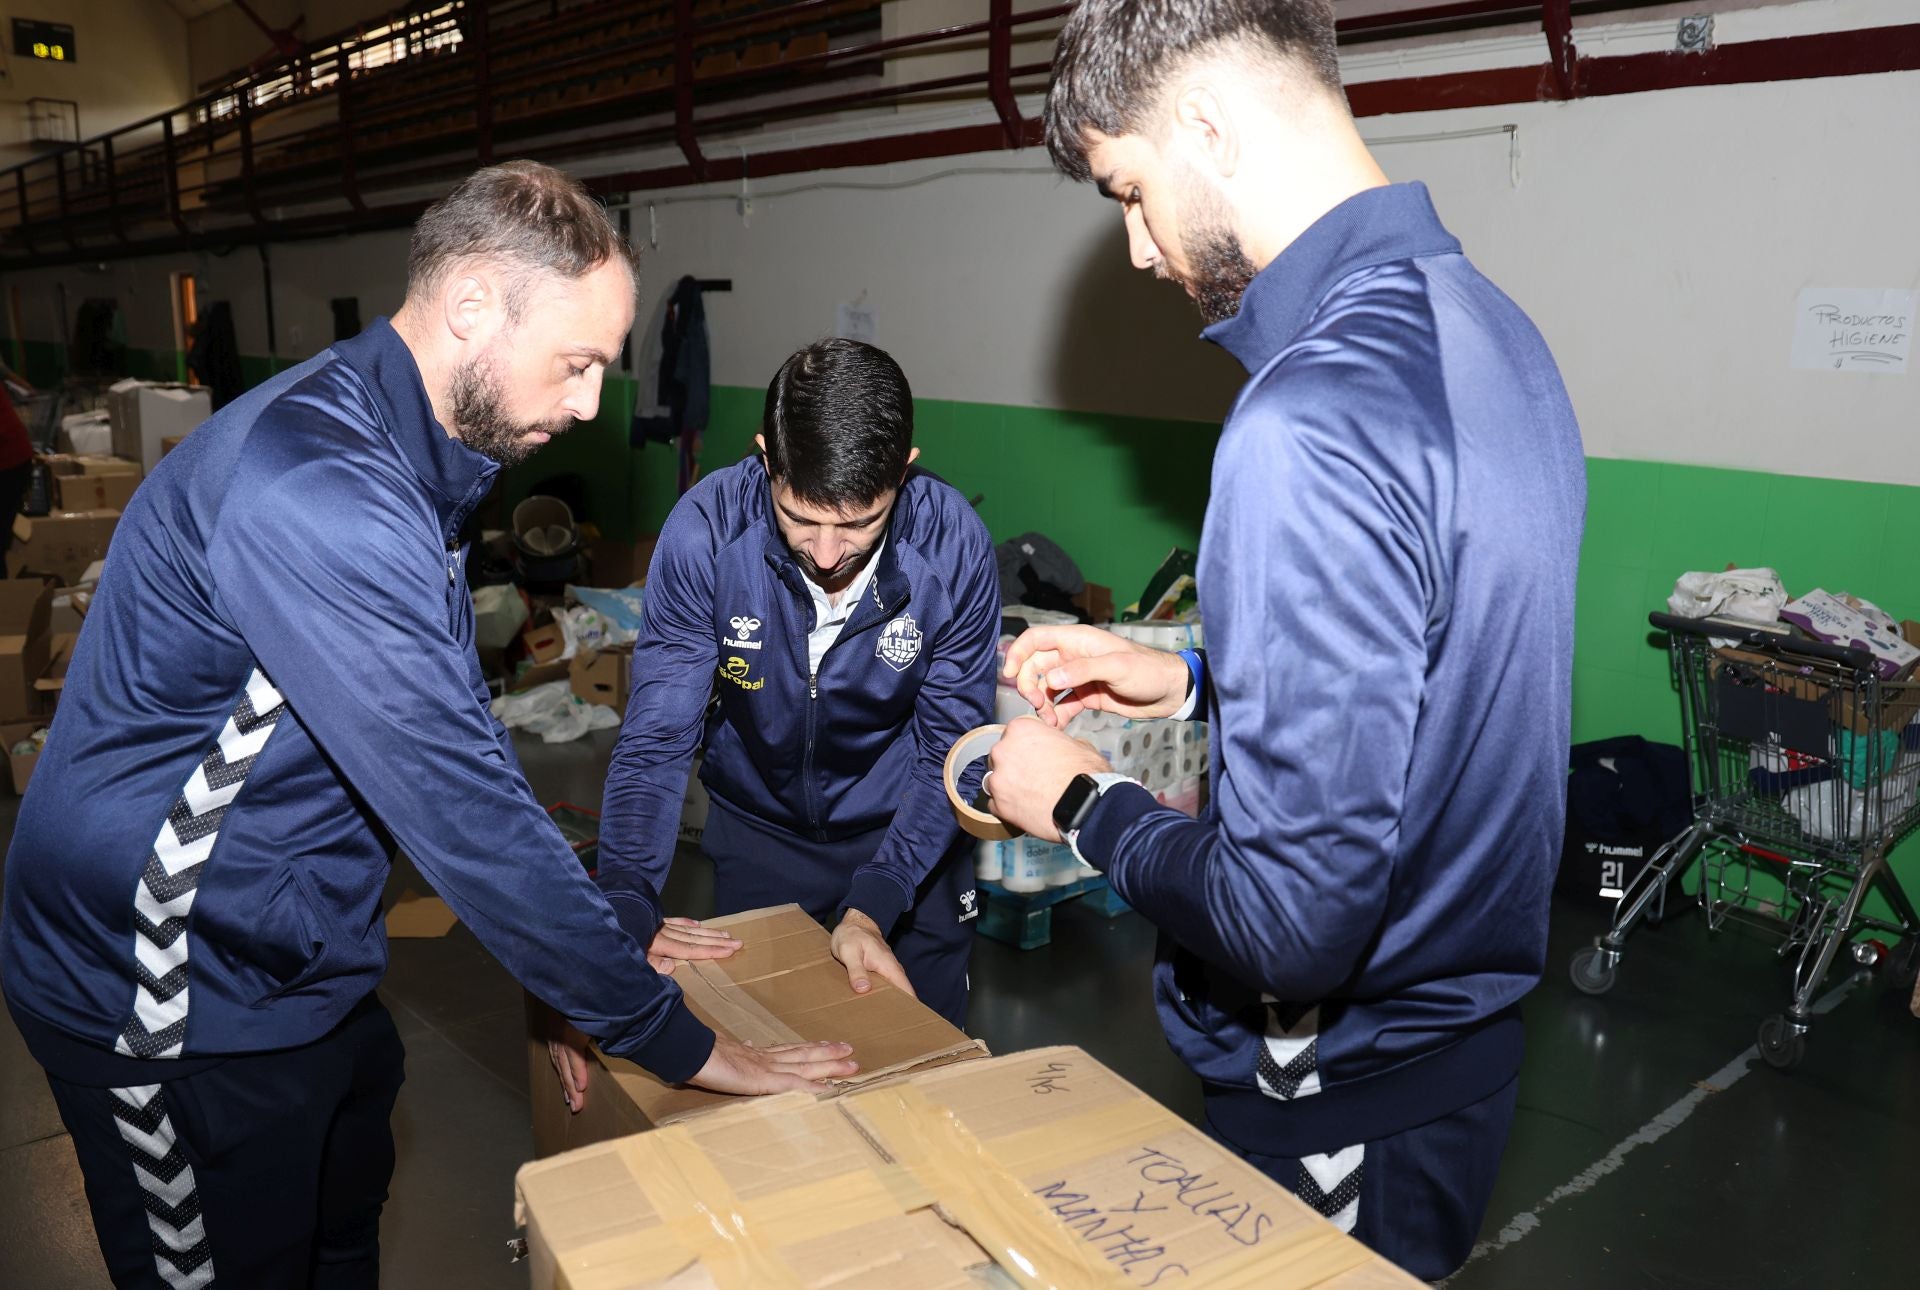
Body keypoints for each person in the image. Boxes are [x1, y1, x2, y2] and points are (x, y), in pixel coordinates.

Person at [0, 161, 855, 1290]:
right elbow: (457, 803)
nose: (595, 402)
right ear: (469, 311)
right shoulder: (316, 487)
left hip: (291, 950)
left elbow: (458, 744)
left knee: (343, 1218)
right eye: (580, 362)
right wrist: (680, 1042)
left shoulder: (407, 454)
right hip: (165, 988)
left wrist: (577, 953)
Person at [985, 1, 1586, 1279]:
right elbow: (1439, 655)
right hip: (1455, 1066)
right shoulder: (1490, 332)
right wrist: (1200, 674)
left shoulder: (1304, 420)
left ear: (1206, 119)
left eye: (1130, 190)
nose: (1140, 250)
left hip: (1341, 1100)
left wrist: (1079, 802)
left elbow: (1291, 924)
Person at [551, 339, 996, 1112]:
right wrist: (623, 909)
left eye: (858, 523)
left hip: (911, 840)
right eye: (800, 518)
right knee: (761, 1087)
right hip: (761, 832)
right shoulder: (705, 534)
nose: (826, 554)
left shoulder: (951, 544)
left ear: (905, 470)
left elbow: (949, 749)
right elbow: (658, 740)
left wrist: (877, 901)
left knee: (925, 1086)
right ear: (764, 460)